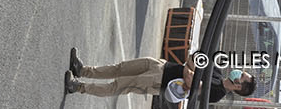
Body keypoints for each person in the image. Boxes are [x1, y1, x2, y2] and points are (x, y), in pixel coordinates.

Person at [65, 48, 254, 102]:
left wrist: (190, 71)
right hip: (163, 66)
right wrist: (190, 70)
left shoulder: (217, 93)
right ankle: (82, 70)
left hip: (159, 82)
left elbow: (190, 84)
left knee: (117, 86)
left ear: (238, 86)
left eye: (242, 75)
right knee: (120, 68)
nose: (239, 71)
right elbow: (191, 59)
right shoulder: (217, 71)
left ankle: (78, 87)